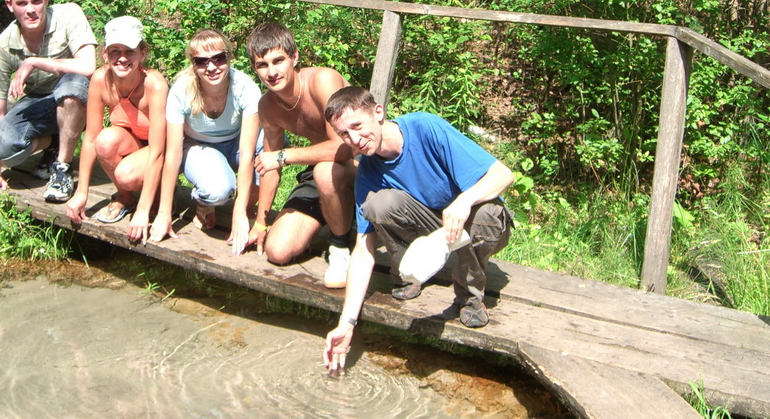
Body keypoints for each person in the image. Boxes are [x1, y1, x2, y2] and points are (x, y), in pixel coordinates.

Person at [321, 87, 515, 376]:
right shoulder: (368, 170)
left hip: (473, 220)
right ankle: (410, 275)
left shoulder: (425, 128)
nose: (355, 139)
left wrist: (463, 201)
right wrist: (346, 322)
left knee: (486, 214)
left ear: (378, 113)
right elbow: (363, 251)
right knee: (380, 204)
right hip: (432, 225)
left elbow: (504, 174)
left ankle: (469, 295)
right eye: (344, 135)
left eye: (357, 126)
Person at [245, 22, 356, 288]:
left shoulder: (322, 81)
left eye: (278, 61)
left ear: (294, 57)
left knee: (325, 171)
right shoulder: (268, 106)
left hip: (361, 167)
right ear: (255, 69)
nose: (272, 72)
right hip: (319, 173)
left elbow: (343, 147)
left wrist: (284, 155)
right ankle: (337, 218)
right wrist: (260, 222)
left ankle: (340, 247)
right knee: (278, 251)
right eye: (262, 65)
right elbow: (269, 165)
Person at [150, 29, 275, 255]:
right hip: (200, 147)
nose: (211, 67)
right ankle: (206, 201)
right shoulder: (181, 91)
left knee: (272, 143)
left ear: (229, 57)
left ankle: (245, 212)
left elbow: (247, 154)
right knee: (219, 190)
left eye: (219, 58)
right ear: (193, 64)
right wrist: (163, 213)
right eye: (202, 61)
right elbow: (173, 154)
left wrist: (239, 212)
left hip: (236, 144)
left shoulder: (244, 87)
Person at [0, 0, 97, 203]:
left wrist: (34, 62)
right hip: (39, 102)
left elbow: (88, 65)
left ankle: (62, 168)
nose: (30, 10)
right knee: (3, 148)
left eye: (36, 1)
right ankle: (53, 143)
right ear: (10, 5)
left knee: (72, 86)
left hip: (78, 94)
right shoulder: (3, 46)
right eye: (22, 3)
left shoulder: (69, 14)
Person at [65, 16, 168, 243]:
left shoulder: (155, 85)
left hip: (161, 150)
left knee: (126, 174)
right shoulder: (100, 79)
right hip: (132, 143)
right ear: (105, 54)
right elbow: (90, 138)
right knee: (104, 139)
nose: (122, 58)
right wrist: (82, 192)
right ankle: (124, 197)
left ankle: (151, 198)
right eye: (115, 51)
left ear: (143, 54)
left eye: (129, 51)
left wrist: (143, 210)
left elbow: (159, 151)